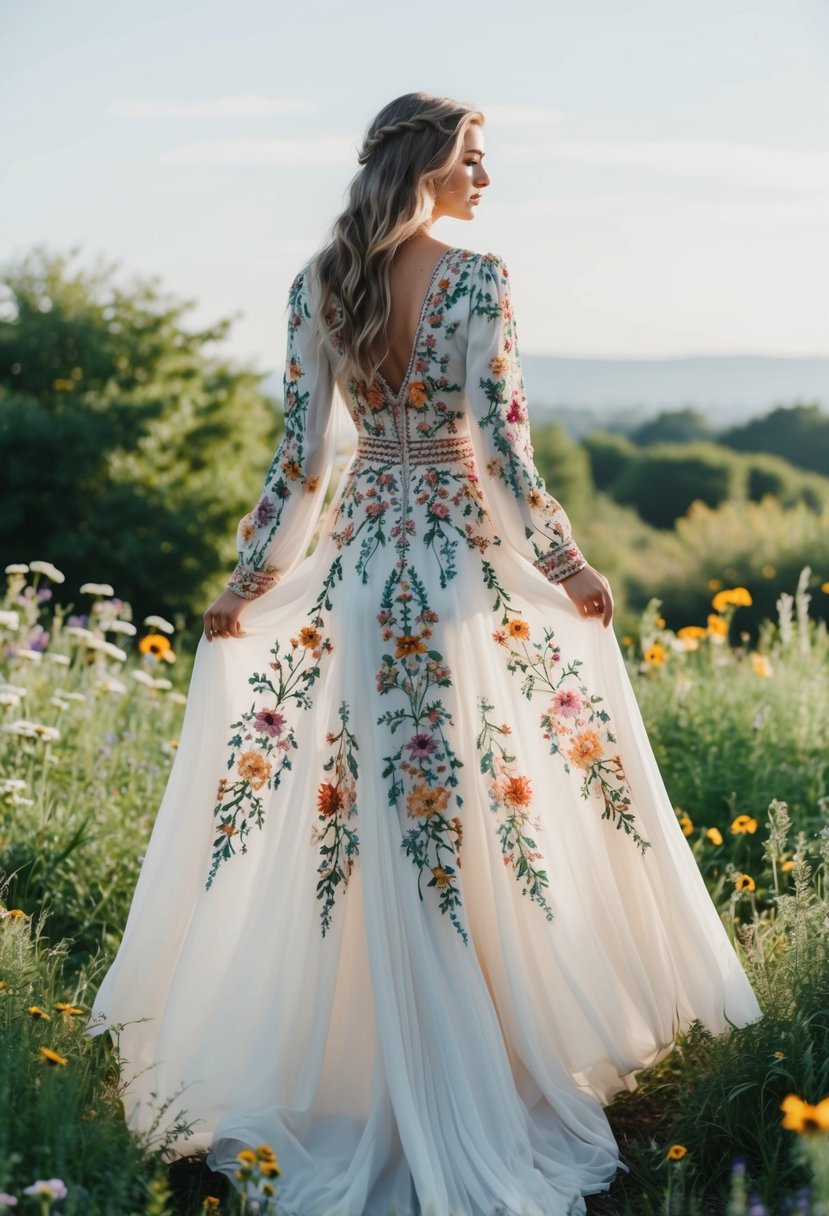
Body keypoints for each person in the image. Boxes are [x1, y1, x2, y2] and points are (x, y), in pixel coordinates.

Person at [86, 92, 763, 1216]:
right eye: (474, 157)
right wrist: (567, 562)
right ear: (430, 163)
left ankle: (388, 1069)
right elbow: (502, 448)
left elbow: (299, 465)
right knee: (452, 814)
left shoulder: (319, 282)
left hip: (360, 578)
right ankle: (454, 1083)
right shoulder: (480, 278)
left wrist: (247, 579)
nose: (486, 178)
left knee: (373, 817)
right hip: (449, 575)